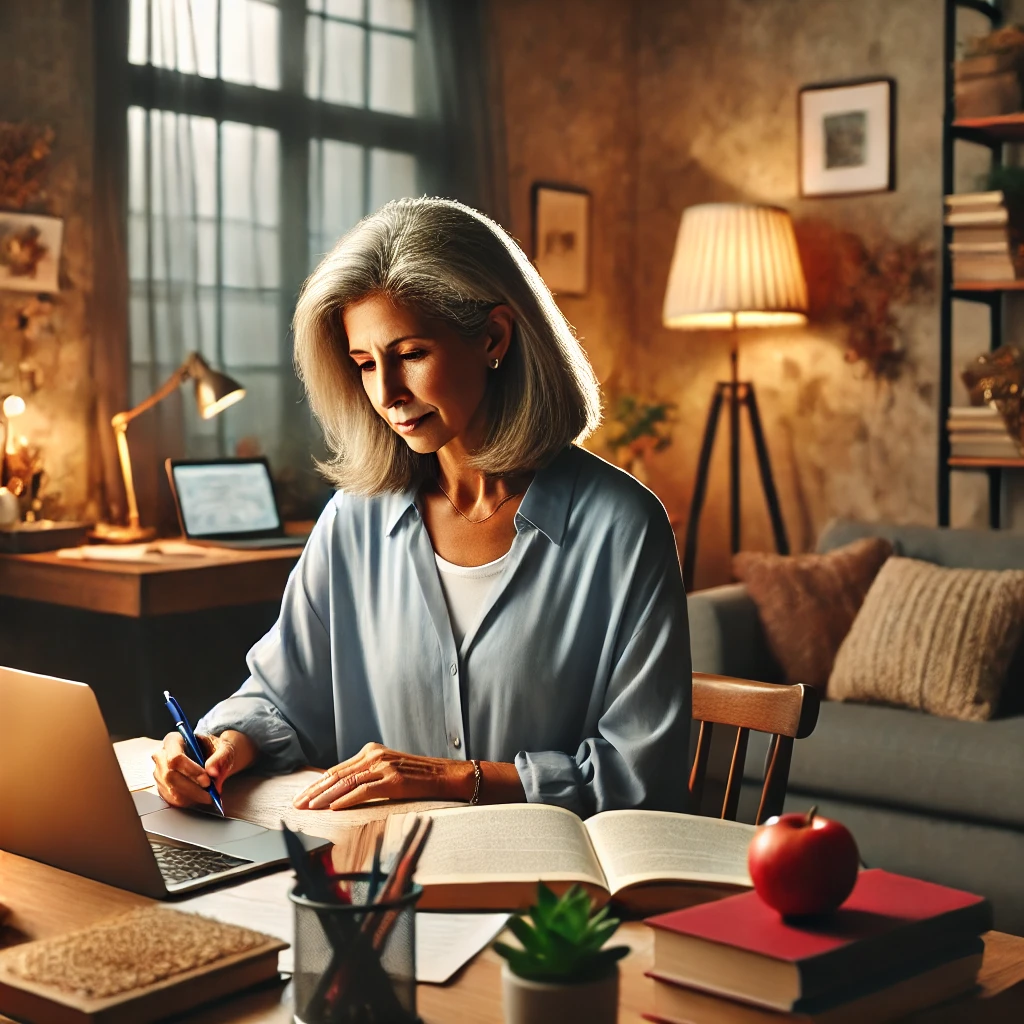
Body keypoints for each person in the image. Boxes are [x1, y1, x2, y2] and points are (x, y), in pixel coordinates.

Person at [152, 197, 691, 818]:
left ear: (493, 337)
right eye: (363, 364)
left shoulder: (622, 528)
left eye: (410, 355)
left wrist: (453, 778)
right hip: (381, 877)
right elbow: (277, 698)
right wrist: (219, 746)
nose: (386, 394)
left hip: (547, 895)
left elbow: (642, 775)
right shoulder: (354, 519)